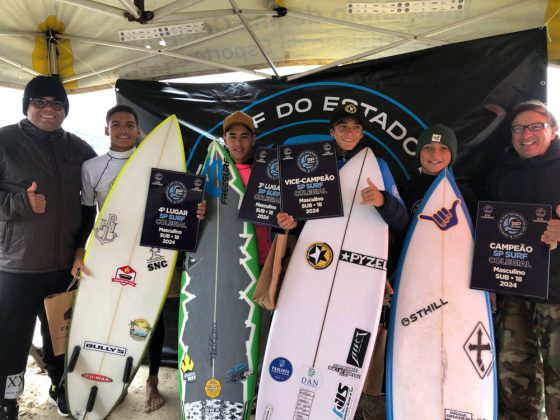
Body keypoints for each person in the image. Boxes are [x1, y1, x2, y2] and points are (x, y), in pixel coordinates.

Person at [71, 104, 206, 413]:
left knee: (150, 315)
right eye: (116, 124)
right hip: (109, 252)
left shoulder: (156, 163)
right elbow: (86, 214)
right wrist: (80, 251)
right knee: (109, 313)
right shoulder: (92, 167)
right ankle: (109, 378)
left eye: (129, 124)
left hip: (151, 251)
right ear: (106, 129)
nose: (123, 129)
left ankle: (153, 379)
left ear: (138, 130)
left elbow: (178, 203)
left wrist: (195, 209)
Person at [0, 75, 97, 419]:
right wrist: (21, 204)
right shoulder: (5, 140)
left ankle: (61, 386)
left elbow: (90, 205)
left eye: (57, 103)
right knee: (11, 342)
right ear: (27, 105)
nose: (48, 109)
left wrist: (80, 247)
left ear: (65, 110)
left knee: (60, 335)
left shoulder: (80, 149)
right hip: (16, 266)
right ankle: (8, 399)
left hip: (63, 265)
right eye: (39, 102)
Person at [486, 99, 560, 419]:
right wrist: (488, 282)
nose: (525, 134)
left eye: (535, 126)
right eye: (518, 128)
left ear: (553, 131)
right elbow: (490, 235)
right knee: (515, 376)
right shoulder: (500, 176)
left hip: (557, 293)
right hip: (514, 293)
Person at [222, 111, 272, 266]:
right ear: (224, 138)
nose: (238, 143)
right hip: (224, 261)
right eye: (232, 136)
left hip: (261, 260)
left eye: (244, 136)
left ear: (253, 139)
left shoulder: (267, 169)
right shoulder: (214, 169)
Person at [400, 124, 478, 217]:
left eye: (444, 148)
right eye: (428, 147)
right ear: (419, 152)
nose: (435, 154)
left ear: (452, 155)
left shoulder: (464, 195)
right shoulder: (403, 190)